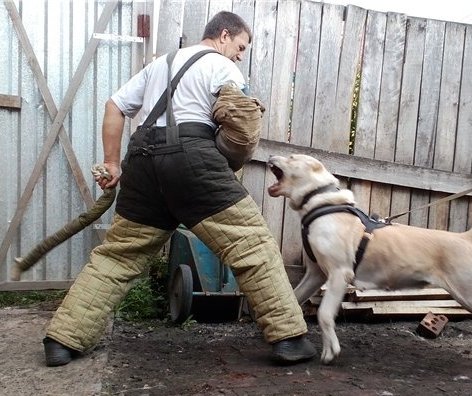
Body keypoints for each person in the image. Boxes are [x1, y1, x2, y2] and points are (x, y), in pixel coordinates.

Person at [43, 11, 316, 367]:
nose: (240, 55)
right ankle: (290, 339)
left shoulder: (159, 65)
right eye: (240, 46)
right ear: (223, 35)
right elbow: (243, 124)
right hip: (192, 160)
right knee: (251, 246)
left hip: (141, 161)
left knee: (118, 256)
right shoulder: (222, 66)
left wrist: (113, 163)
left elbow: (115, 105)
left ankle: (62, 340)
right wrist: (228, 161)